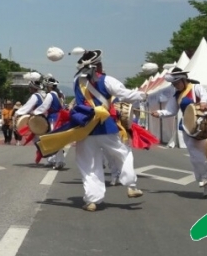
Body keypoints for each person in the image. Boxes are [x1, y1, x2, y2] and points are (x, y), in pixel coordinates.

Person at [37, 49, 145, 211]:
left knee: (88, 164)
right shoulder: (107, 80)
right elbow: (125, 95)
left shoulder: (76, 81)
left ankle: (92, 200)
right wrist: (143, 95)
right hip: (106, 126)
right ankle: (130, 185)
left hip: (85, 128)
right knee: (123, 153)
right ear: (99, 65)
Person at [150, 68, 207, 197]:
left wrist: (203, 102)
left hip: (200, 125)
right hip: (187, 127)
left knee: (197, 155)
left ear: (183, 80)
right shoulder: (177, 95)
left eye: (176, 83)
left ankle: (205, 177)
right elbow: (171, 111)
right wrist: (159, 113)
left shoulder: (195, 87)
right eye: (174, 84)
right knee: (194, 156)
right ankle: (206, 184)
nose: (175, 86)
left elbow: (204, 96)